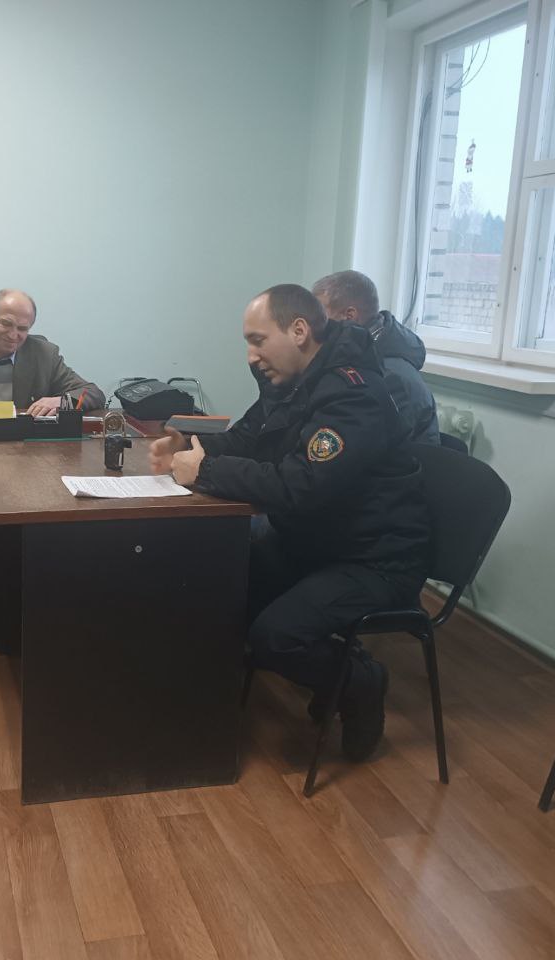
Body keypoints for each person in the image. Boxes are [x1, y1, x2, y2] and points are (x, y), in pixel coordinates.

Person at [149, 284, 430, 761]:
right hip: (318, 542)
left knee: (275, 637)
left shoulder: (353, 395)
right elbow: (248, 439)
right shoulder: (294, 382)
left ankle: (361, 679)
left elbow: (302, 485)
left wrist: (207, 470)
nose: (251, 356)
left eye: (258, 340)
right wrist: (191, 449)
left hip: (376, 559)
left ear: (299, 331)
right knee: (217, 590)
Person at [311, 271, 440, 444]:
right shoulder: (358, 356)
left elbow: (358, 442)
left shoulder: (391, 377)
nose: (313, 326)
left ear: (349, 316)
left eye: (319, 317)